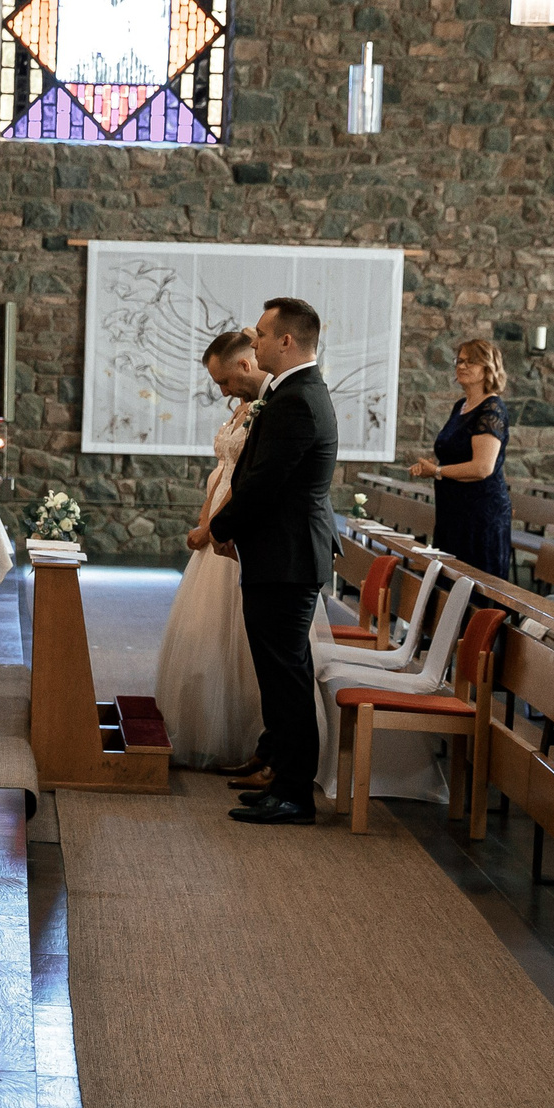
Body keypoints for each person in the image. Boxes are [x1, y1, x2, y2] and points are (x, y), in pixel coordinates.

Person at [205, 297, 340, 825]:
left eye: (261, 333)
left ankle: (295, 793)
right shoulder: (292, 392)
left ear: (286, 340)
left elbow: (265, 483)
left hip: (286, 558)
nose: (253, 340)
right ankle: (284, 778)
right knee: (278, 674)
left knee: (286, 677)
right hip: (280, 555)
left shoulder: (299, 399)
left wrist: (221, 527)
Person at [159, 331, 268, 770]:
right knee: (204, 636)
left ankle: (244, 737)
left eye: (224, 381)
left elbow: (247, 481)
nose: (222, 392)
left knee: (236, 638)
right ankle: (206, 731)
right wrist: (203, 521)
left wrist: (216, 528)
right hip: (217, 522)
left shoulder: (266, 410)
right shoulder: (242, 409)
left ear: (244, 365)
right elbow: (221, 470)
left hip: (239, 532)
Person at [409, 338, 512, 576]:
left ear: (488, 368)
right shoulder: (461, 406)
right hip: (453, 510)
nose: (462, 366)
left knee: (475, 586)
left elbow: (482, 468)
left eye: (471, 362)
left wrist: (436, 471)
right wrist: (434, 466)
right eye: (460, 361)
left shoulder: (491, 408)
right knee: (449, 583)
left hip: (480, 515)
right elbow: (457, 454)